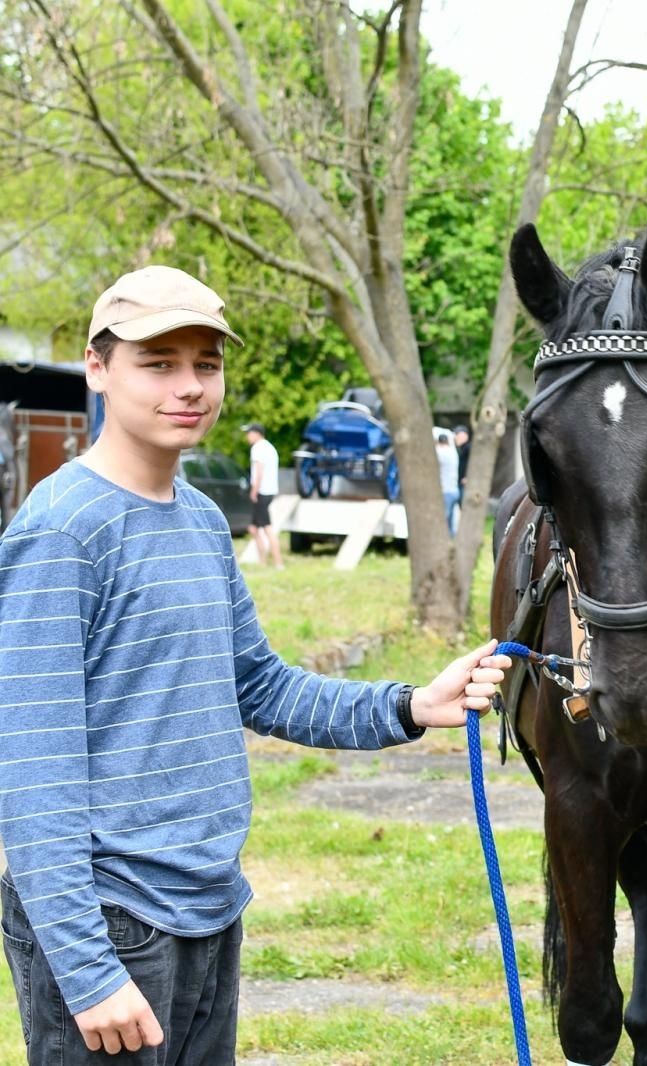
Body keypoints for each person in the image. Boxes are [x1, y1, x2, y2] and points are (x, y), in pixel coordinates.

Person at [0, 264, 512, 1064]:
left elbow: (260, 685)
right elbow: (34, 773)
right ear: (97, 369)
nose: (189, 385)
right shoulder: (61, 531)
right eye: (158, 362)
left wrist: (410, 705)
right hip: (112, 922)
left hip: (208, 906)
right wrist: (87, 967)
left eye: (206, 363)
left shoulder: (202, 521)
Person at [241, 421, 283, 568]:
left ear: (256, 433)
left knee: (267, 527)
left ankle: (278, 563)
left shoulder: (258, 448)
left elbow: (259, 472)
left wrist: (253, 491)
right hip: (270, 490)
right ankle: (262, 562)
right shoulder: (270, 447)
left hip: (261, 492)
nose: (247, 437)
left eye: (249, 433)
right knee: (253, 528)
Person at [435, 427, 460, 536]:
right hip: (454, 490)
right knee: (451, 522)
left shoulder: (441, 453)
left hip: (446, 491)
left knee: (444, 521)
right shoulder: (453, 453)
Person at [453, 424, 471, 497]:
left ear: (465, 435)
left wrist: (468, 477)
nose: (455, 437)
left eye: (457, 434)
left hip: (464, 484)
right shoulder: (463, 448)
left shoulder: (468, 448)